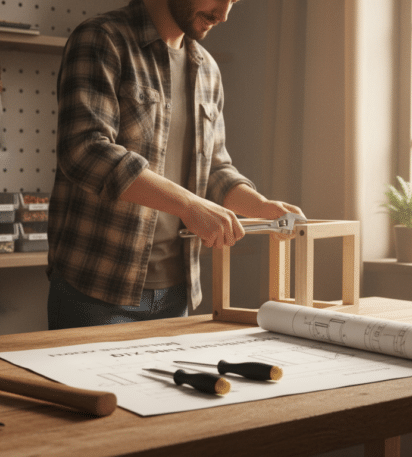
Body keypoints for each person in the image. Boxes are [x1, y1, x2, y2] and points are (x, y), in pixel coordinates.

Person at [46, 0, 304, 329]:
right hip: (96, 289)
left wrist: (262, 207)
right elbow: (84, 150)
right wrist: (189, 204)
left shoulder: (207, 68)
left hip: (175, 294)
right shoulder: (102, 39)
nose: (223, 14)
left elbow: (214, 169)